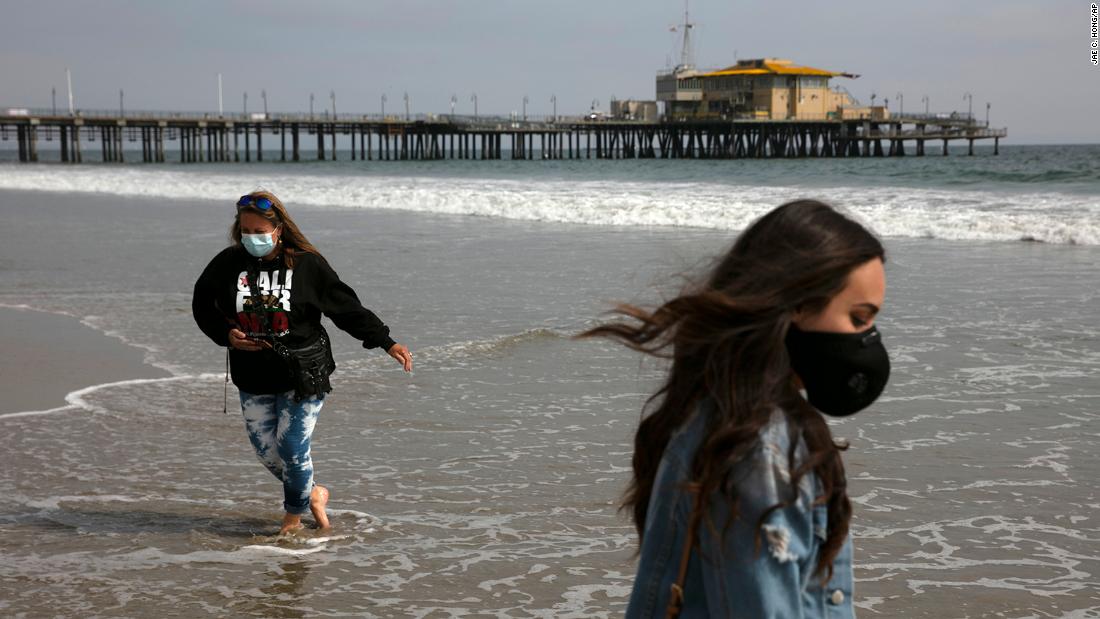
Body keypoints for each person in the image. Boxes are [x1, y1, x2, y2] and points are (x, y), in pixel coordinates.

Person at [582, 200, 890, 617]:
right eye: (858, 318)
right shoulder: (760, 446)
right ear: (796, 304)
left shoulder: (709, 405)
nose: (868, 339)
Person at [192, 190, 413, 535]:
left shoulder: (307, 264)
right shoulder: (227, 264)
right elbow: (202, 306)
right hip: (252, 374)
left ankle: (292, 523)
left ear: (278, 228)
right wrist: (226, 334)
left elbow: (345, 308)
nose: (253, 238)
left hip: (303, 372)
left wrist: (385, 341)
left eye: (259, 231)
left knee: (292, 448)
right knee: (267, 453)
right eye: (246, 231)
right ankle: (314, 494)